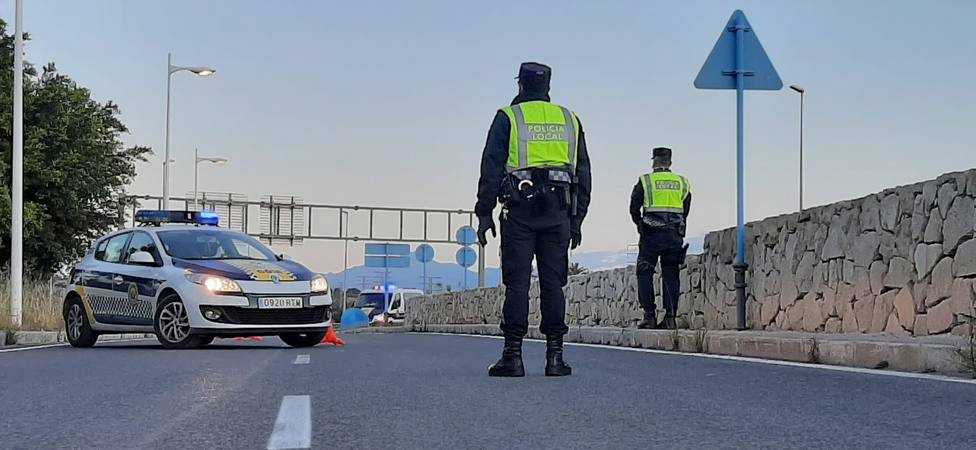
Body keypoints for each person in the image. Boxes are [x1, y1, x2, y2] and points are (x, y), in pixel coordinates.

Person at [475, 62, 592, 377]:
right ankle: (555, 359)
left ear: (520, 85)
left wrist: (484, 213)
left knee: (518, 285)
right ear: (549, 87)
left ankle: (513, 358)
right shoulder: (570, 120)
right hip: (558, 214)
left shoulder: (508, 117)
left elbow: (491, 165)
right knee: (554, 285)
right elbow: (583, 174)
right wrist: (577, 220)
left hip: (520, 213)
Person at [630, 147, 691, 329]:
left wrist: (640, 225)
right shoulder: (682, 182)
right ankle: (670, 318)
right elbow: (685, 210)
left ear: (654, 161)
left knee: (645, 272)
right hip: (674, 235)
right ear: (670, 162)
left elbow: (633, 207)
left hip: (651, 234)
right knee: (671, 274)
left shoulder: (646, 181)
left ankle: (649, 316)